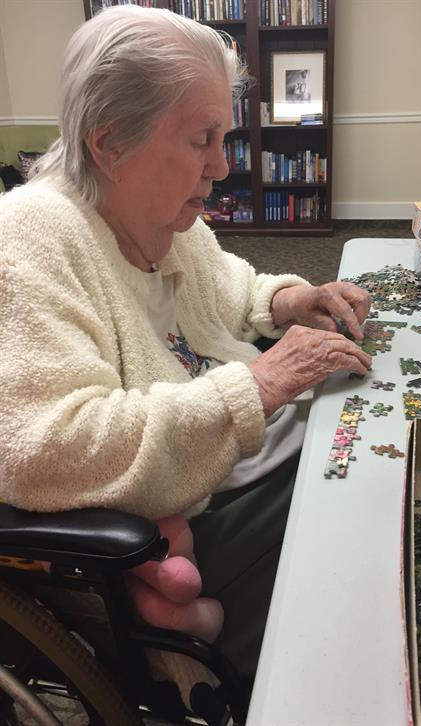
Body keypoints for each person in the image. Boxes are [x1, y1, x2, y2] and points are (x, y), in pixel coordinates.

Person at [0, 3, 371, 700]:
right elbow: (44, 449)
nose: (222, 166)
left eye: (223, 137)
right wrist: (259, 385)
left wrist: (291, 299)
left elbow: (229, 288)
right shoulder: (27, 239)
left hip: (247, 461)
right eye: (202, 139)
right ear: (109, 143)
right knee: (374, 524)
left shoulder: (164, 213)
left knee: (382, 460)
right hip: (191, 526)